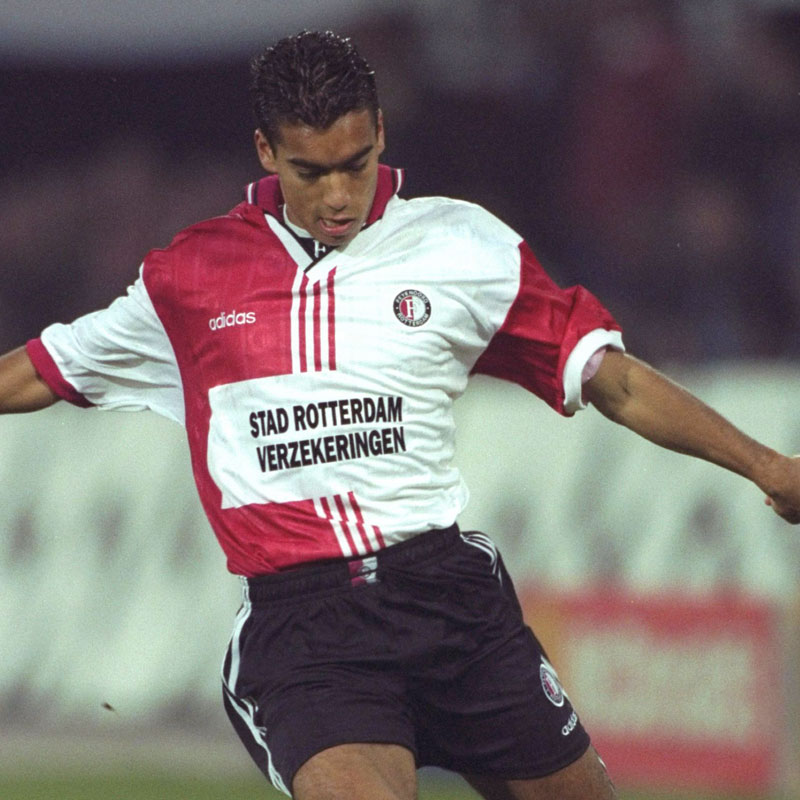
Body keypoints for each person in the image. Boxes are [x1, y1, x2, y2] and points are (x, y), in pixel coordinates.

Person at [2, 30, 800, 800]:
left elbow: (611, 380)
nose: (338, 196)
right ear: (266, 152)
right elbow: (42, 369)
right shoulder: (191, 275)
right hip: (308, 632)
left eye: (355, 163)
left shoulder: (462, 246)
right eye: (312, 172)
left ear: (381, 132)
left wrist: (767, 466)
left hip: (450, 603)